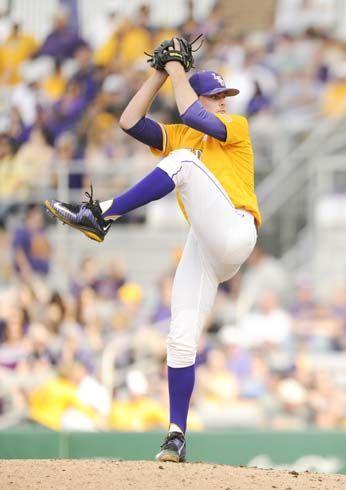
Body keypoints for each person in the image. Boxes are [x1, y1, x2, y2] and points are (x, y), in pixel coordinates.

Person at [44, 37, 260, 462]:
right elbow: (128, 121)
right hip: (204, 245)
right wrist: (159, 73)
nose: (222, 102)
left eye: (223, 96)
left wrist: (179, 70)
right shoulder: (182, 134)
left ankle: (101, 214)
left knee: (180, 163)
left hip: (236, 229)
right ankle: (176, 435)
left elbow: (189, 112)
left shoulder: (235, 129)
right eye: (215, 96)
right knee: (180, 338)